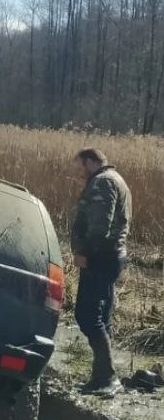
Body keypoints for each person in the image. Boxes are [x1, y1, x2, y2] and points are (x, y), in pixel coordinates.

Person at [71, 147, 132, 396]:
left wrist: (83, 252)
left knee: (88, 316)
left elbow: (100, 226)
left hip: (100, 258)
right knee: (101, 318)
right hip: (110, 257)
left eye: (79, 166)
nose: (78, 172)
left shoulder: (103, 182)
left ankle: (107, 377)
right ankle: (100, 378)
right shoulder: (116, 180)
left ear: (89, 161)